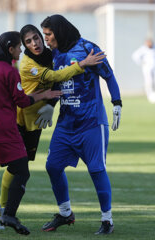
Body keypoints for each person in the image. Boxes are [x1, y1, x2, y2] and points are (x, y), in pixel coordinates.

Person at [0, 24, 106, 230]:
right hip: (20, 121)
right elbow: (55, 78)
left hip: (36, 123)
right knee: (16, 168)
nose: (35, 43)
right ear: (23, 46)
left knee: (19, 168)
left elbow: (57, 85)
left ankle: (1, 213)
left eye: (36, 38)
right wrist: (83, 63)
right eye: (28, 41)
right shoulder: (27, 64)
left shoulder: (52, 54)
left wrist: (51, 105)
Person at [40, 15, 122, 235]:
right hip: (66, 124)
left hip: (91, 122)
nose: (46, 39)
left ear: (59, 31)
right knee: (53, 167)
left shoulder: (88, 48)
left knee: (96, 169)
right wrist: (50, 104)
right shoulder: (55, 54)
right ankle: (65, 213)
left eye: (48, 34)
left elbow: (109, 75)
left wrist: (117, 102)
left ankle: (107, 220)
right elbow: (60, 81)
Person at [0, 31, 61, 234]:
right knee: (22, 170)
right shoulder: (9, 70)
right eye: (18, 46)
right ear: (10, 49)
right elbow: (22, 101)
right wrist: (45, 95)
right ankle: (9, 214)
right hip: (4, 131)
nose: (22, 49)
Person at [132, 38, 155, 103]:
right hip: (147, 68)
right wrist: (141, 62)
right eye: (148, 43)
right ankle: (150, 96)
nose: (149, 44)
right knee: (148, 82)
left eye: (150, 43)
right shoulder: (143, 49)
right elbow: (135, 56)